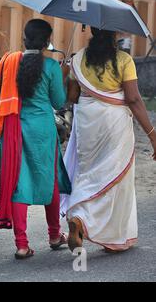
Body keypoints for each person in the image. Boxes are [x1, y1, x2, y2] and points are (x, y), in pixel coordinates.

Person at [61, 27, 156, 253]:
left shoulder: (78, 58)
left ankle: (78, 218)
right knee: (114, 175)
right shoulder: (124, 60)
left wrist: (67, 70)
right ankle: (111, 235)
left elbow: (72, 97)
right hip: (114, 123)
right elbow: (133, 98)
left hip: (86, 121)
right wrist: (152, 134)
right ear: (115, 34)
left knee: (87, 172)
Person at [0, 19, 71, 259]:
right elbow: (59, 102)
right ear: (47, 41)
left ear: (24, 39)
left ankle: (21, 244)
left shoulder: (9, 63)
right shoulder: (51, 67)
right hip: (42, 130)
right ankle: (55, 235)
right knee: (50, 179)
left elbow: (0, 100)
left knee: (20, 183)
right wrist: (63, 73)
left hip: (15, 129)